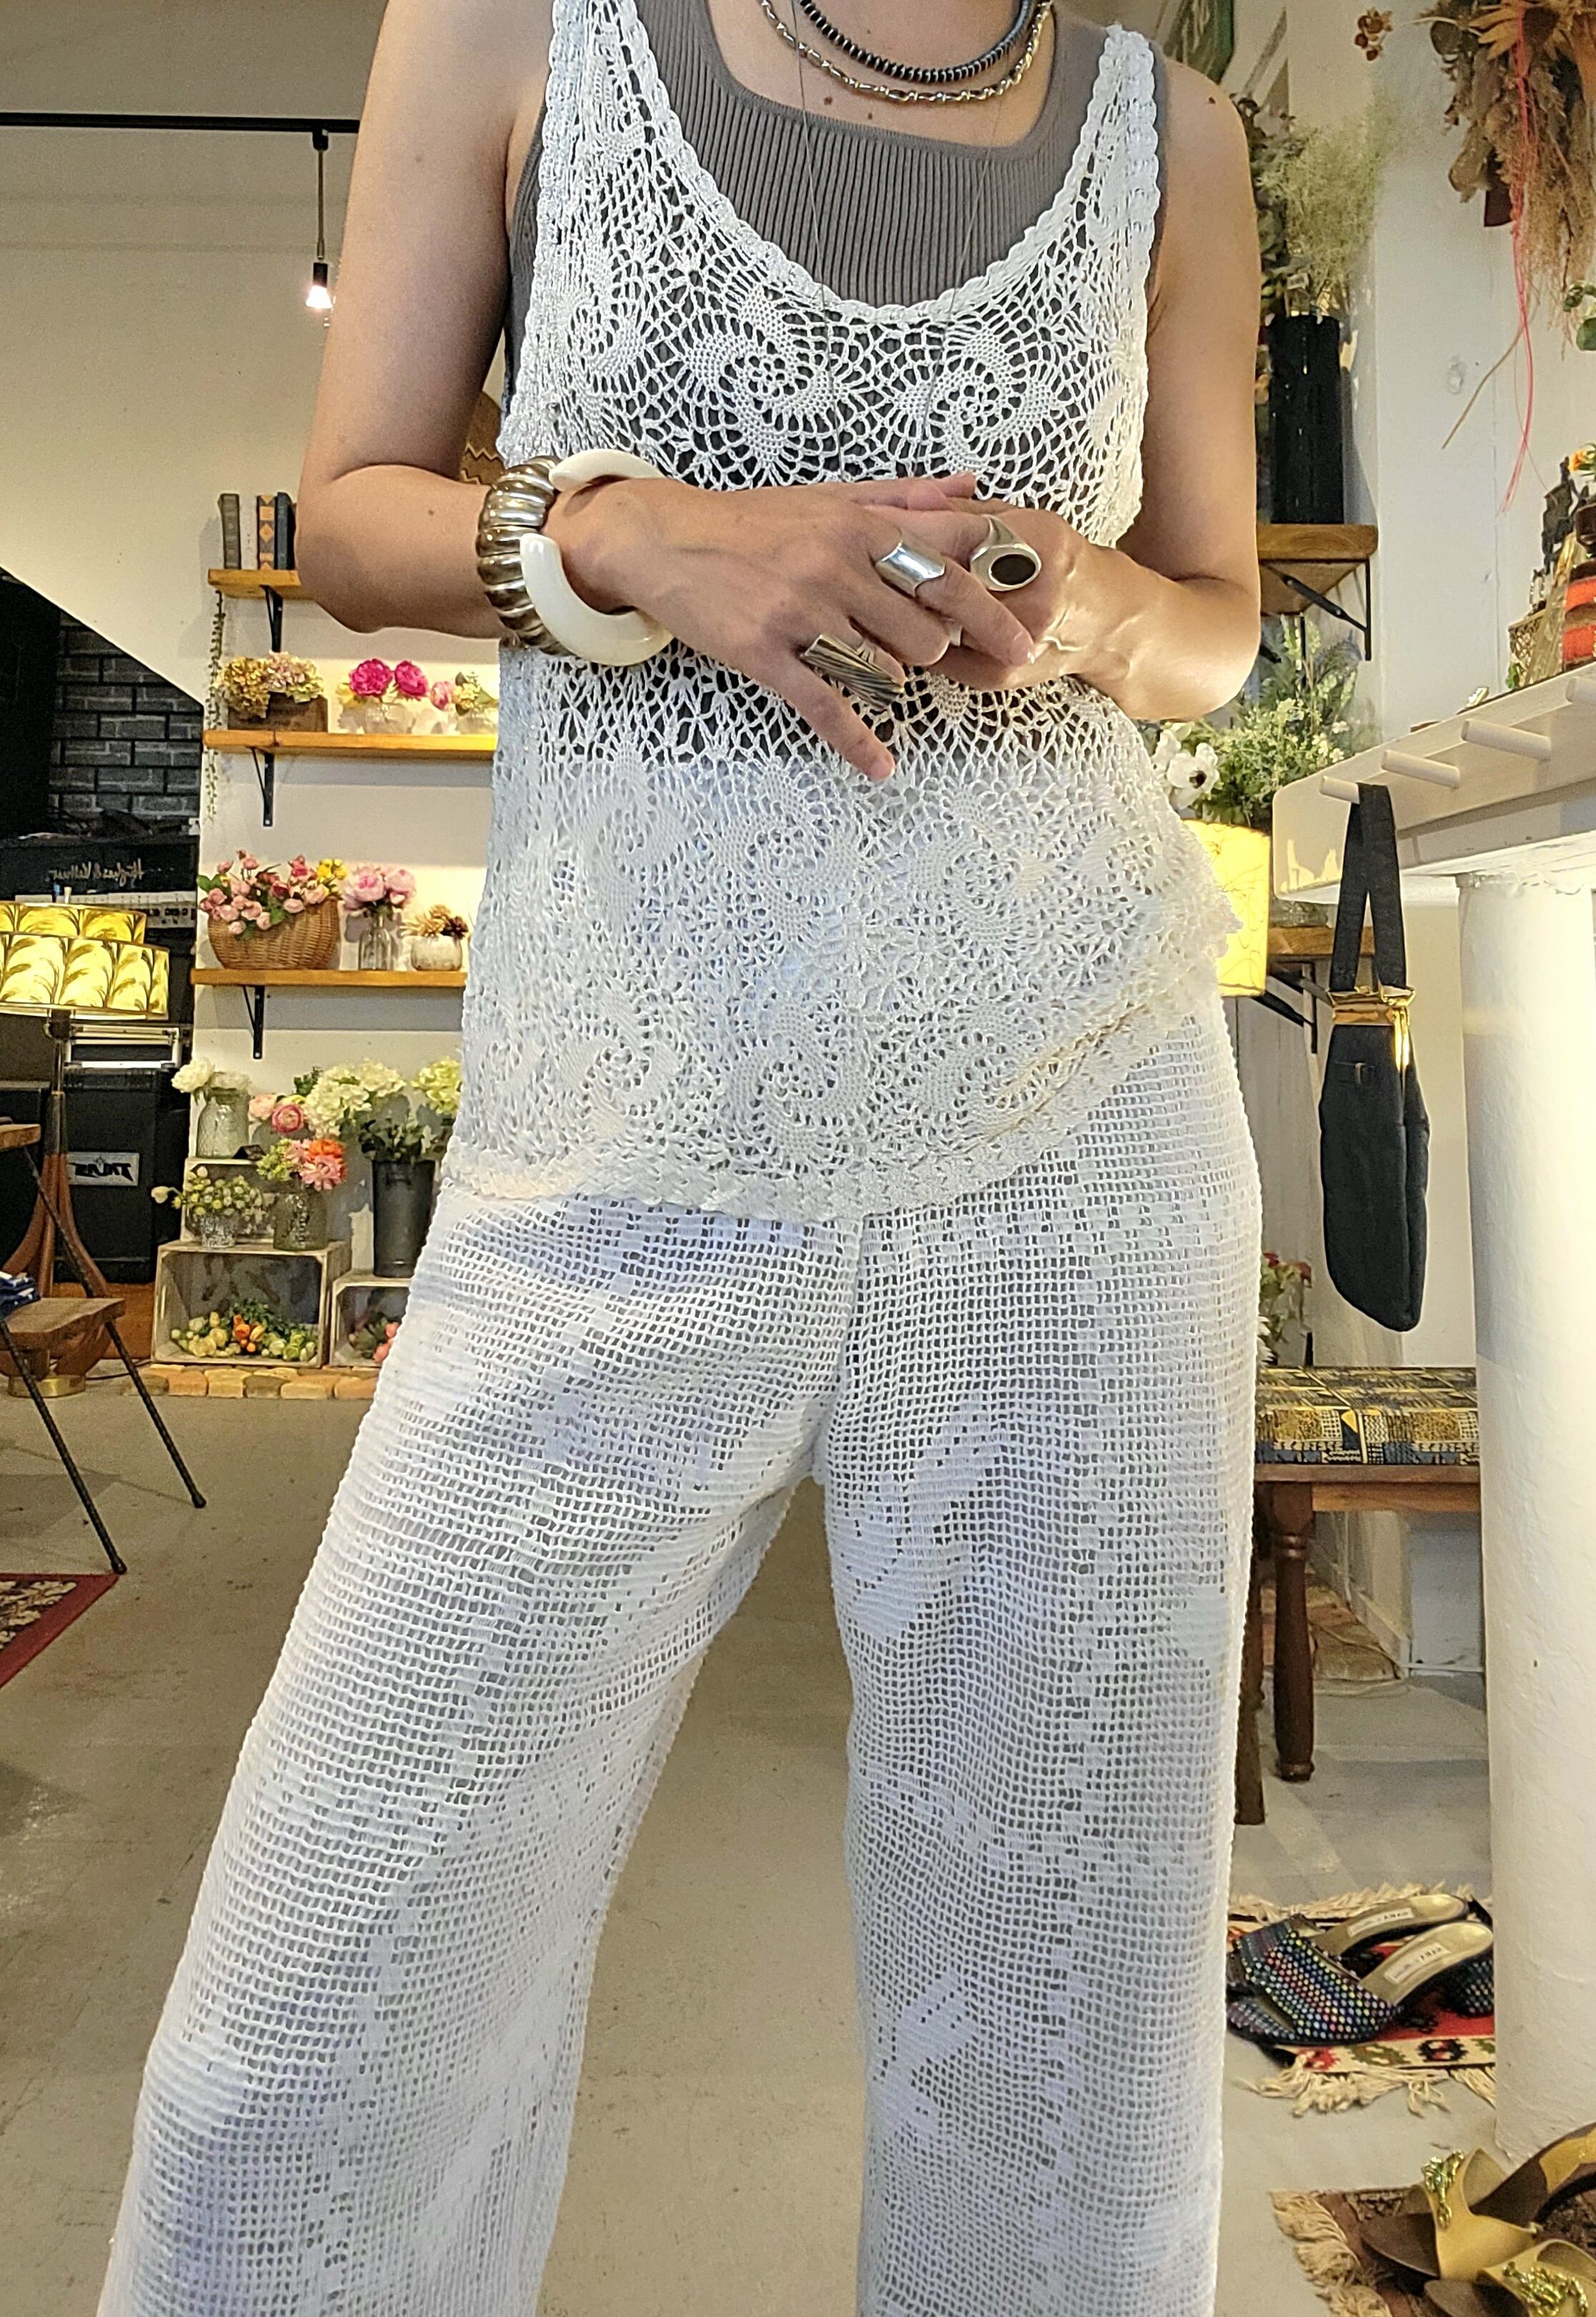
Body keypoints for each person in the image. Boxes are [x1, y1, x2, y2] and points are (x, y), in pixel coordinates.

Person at [99, 4, 1264, 2313]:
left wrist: (1100, 609)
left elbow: (1215, 627)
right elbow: (353, 515)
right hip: (620, 1133)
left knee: (1072, 2032)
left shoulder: (1178, 131)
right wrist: (635, 538)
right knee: (304, 2046)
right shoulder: (512, 33)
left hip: (1085, 1136)